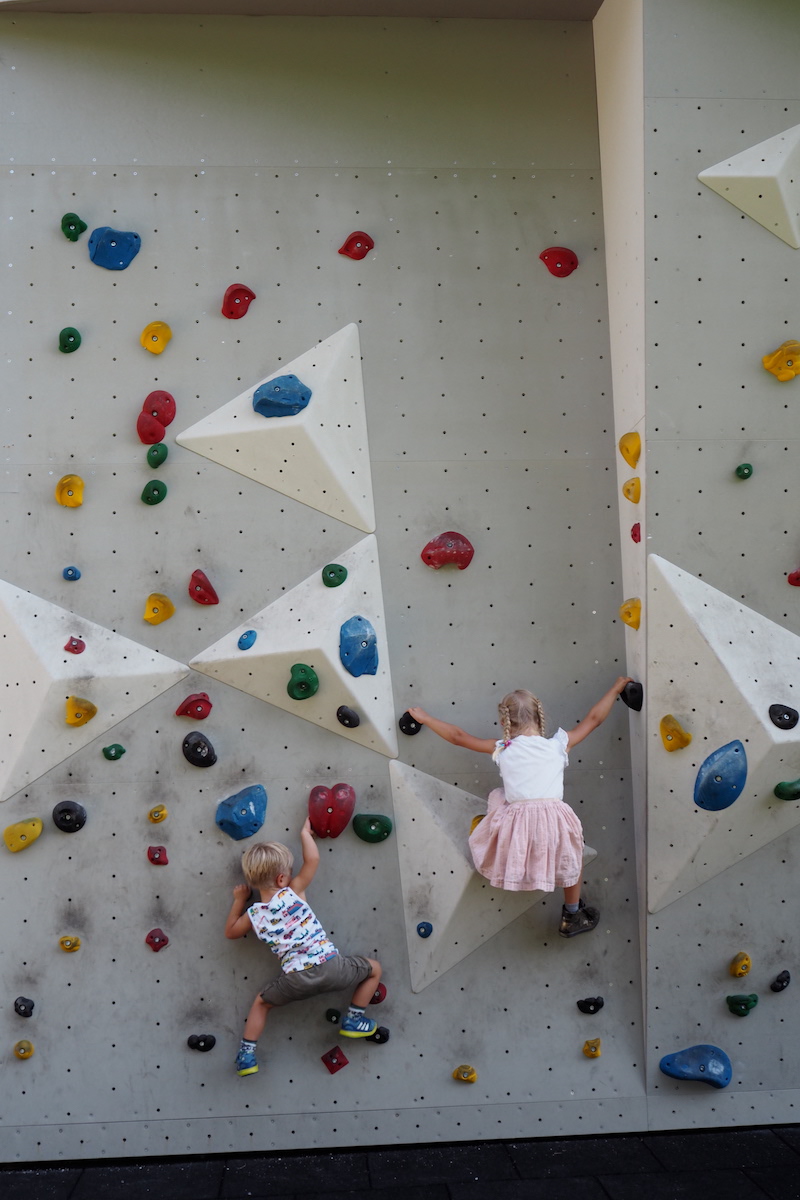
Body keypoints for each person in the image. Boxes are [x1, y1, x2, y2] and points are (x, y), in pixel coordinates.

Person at [407, 676, 631, 938]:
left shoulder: (503, 748)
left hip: (517, 825)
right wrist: (616, 688)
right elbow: (594, 719)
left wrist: (425, 718)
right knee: (573, 854)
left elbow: (458, 737)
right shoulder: (558, 745)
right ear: (539, 717)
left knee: (501, 803)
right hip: (553, 819)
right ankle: (571, 913)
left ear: (504, 722)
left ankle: (496, 844)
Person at [225, 817, 382, 1076]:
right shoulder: (294, 891)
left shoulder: (254, 915)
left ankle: (247, 1054)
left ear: (253, 882)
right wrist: (305, 833)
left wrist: (239, 900)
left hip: (296, 980)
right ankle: (354, 1018)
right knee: (374, 969)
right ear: (283, 878)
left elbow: (230, 932)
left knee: (261, 1004)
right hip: (332, 967)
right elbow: (313, 861)